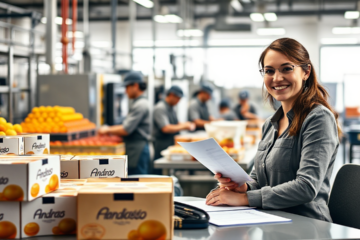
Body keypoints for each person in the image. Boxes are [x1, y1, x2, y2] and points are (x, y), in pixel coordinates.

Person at [206, 38, 341, 222]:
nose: (277, 78)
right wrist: (243, 187)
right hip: (270, 221)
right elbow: (258, 179)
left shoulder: (318, 118)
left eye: (287, 68)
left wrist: (244, 198)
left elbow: (306, 187)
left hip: (306, 226)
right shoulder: (270, 124)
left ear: (306, 71)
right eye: (269, 71)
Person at [98, 71, 150, 175]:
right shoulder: (138, 103)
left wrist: (107, 130)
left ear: (135, 86)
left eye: (127, 87)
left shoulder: (141, 105)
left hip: (137, 150)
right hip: (135, 149)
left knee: (137, 181)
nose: (125, 91)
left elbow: (126, 129)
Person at [153, 86, 195, 161]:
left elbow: (176, 123)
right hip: (161, 144)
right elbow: (165, 128)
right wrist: (184, 126)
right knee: (160, 169)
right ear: (171, 95)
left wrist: (186, 124)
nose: (178, 101)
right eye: (178, 98)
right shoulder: (160, 108)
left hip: (170, 142)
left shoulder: (171, 108)